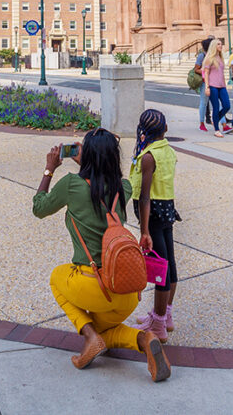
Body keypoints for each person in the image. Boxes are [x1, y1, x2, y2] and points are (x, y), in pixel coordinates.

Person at [32, 128, 171, 381]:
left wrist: (49, 169)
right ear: (113, 157)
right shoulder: (124, 188)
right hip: (127, 290)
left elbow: (39, 208)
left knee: (56, 277)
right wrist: (93, 163)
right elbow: (112, 181)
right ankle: (145, 338)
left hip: (96, 286)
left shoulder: (72, 185)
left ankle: (88, 335)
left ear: (88, 156)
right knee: (107, 331)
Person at [129, 110, 181, 342]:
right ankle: (165, 315)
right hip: (167, 210)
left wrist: (144, 230)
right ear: (166, 130)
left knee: (161, 271)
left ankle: (158, 326)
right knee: (169, 263)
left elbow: (145, 196)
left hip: (154, 216)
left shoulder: (149, 156)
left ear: (142, 131)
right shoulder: (168, 151)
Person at [201, 39, 232, 138]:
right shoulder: (209, 58)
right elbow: (206, 73)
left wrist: (225, 84)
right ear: (214, 46)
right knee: (215, 107)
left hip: (222, 86)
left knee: (227, 105)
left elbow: (221, 73)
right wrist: (207, 87)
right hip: (212, 85)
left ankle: (216, 120)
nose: (221, 45)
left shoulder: (221, 57)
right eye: (218, 44)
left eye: (221, 44)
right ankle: (217, 130)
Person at [194, 36, 214, 132]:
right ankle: (202, 123)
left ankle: (222, 123)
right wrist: (205, 73)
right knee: (204, 102)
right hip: (205, 82)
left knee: (220, 103)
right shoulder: (202, 55)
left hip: (215, 82)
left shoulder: (215, 55)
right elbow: (196, 69)